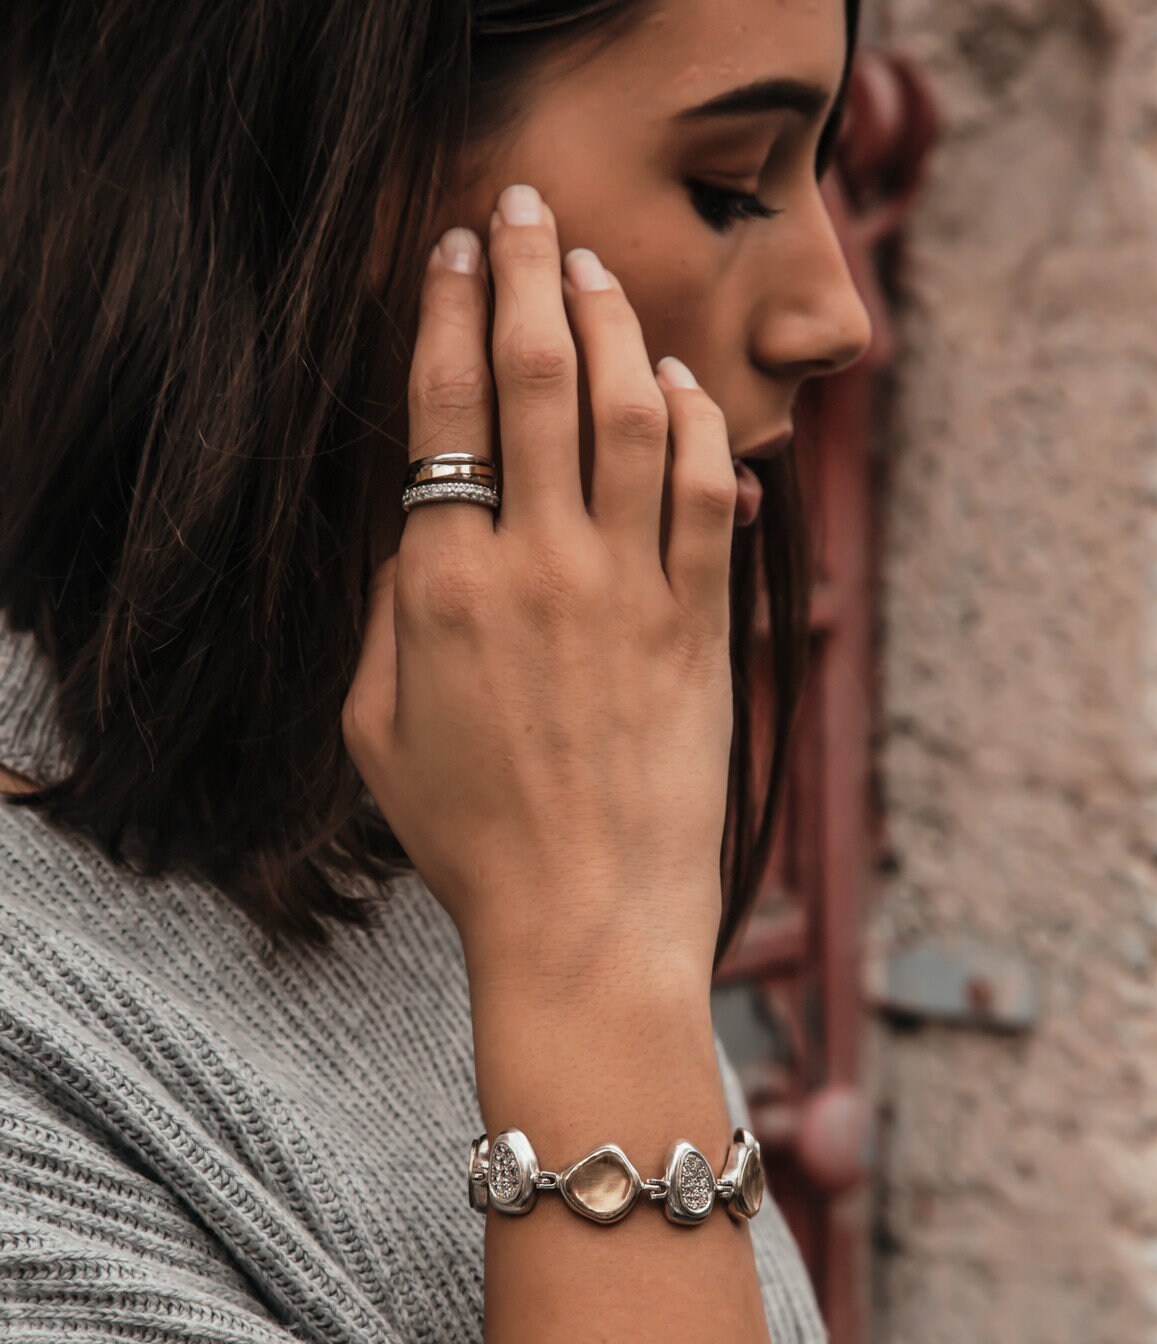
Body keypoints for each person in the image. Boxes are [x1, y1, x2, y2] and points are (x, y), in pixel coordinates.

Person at [0, 0, 871, 1338]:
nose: (838, 315)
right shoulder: (43, 1050)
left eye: (829, 172)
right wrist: (586, 961)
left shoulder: (471, 774)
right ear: (339, 173)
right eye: (728, 183)